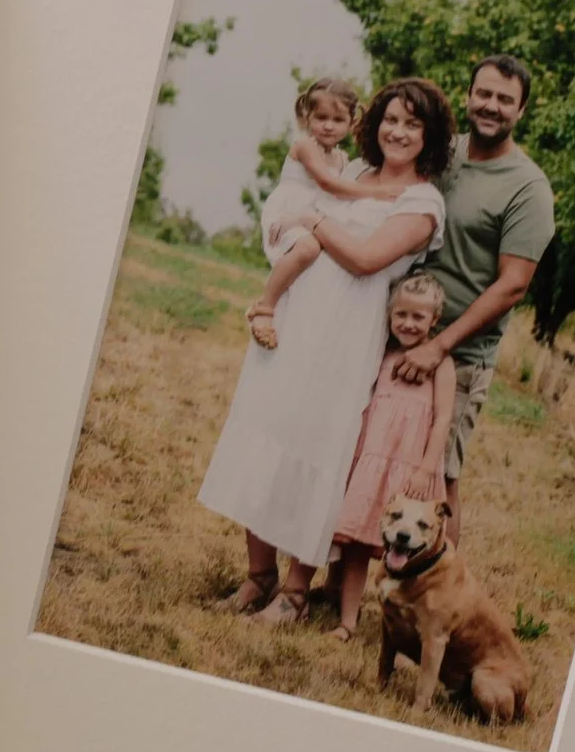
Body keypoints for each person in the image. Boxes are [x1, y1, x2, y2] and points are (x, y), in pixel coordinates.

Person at [197, 77, 452, 625]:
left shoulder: (423, 202)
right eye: (391, 119)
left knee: (318, 452)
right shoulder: (352, 171)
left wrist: (314, 219)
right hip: (294, 322)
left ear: (429, 137)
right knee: (268, 433)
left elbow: (365, 258)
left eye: (412, 124)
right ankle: (259, 573)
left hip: (346, 339)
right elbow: (289, 219)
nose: (397, 131)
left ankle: (295, 591)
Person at [393, 56, 556, 501]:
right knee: (382, 458)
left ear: (521, 110)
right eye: (483, 94)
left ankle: (441, 555)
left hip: (459, 355)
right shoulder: (438, 153)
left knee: (436, 481)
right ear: (468, 96)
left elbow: (513, 284)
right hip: (399, 334)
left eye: (505, 100)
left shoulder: (528, 189)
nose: (491, 106)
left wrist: (438, 347)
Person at [320, 273, 455, 642]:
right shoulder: (382, 354)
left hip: (410, 471)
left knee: (410, 551)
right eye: (401, 315)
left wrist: (425, 469)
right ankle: (347, 622)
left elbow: (443, 419)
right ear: (390, 315)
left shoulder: (441, 364)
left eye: (418, 317)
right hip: (372, 463)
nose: (408, 324)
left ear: (434, 320)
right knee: (358, 544)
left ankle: (412, 627)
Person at [245, 76, 366, 349]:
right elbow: (328, 183)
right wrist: (379, 192)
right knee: (307, 249)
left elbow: (338, 196)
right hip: (288, 214)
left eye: (338, 120)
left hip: (315, 216)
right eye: (321, 117)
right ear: (307, 117)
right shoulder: (305, 146)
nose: (328, 125)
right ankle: (264, 306)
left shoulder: (342, 158)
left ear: (351, 123)